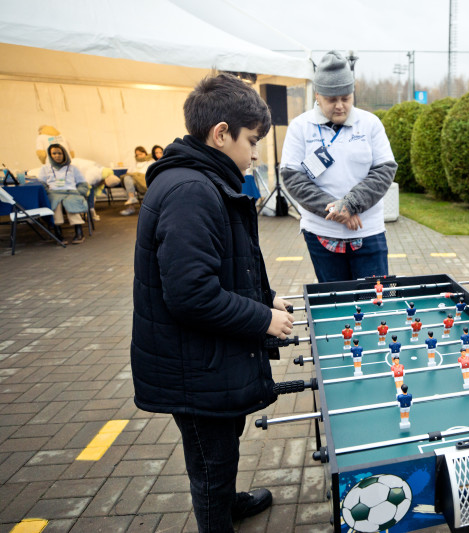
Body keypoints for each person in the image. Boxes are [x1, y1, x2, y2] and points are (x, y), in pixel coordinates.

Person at [130, 73, 295, 533]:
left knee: (222, 448)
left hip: (207, 361)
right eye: (252, 141)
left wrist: (266, 297)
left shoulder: (204, 180)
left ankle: (229, 501)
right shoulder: (191, 191)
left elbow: (223, 266)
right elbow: (191, 294)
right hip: (194, 368)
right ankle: (217, 518)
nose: (256, 153)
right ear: (221, 134)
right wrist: (262, 318)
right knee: (210, 464)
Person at [281, 50, 397, 282]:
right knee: (334, 298)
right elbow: (292, 177)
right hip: (321, 233)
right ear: (317, 95)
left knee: (374, 297)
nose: (340, 106)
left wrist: (351, 204)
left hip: (368, 232)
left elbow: (384, 171)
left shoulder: (370, 124)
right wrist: (337, 210)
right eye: (332, 100)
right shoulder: (300, 127)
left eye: (346, 98)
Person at [39, 143, 88, 244]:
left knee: (71, 202)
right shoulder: (45, 168)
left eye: (59, 153)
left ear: (64, 154)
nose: (57, 156)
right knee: (55, 203)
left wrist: (79, 192)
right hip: (54, 193)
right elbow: (41, 184)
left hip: (71, 192)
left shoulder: (73, 168)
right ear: (50, 155)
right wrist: (48, 192)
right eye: (54, 153)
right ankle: (58, 234)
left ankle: (79, 232)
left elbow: (82, 183)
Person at [120, 146, 154, 216]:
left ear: (145, 153)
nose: (139, 156)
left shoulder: (151, 161)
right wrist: (135, 175)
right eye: (137, 155)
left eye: (141, 154)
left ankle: (131, 202)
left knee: (128, 182)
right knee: (127, 179)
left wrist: (137, 175)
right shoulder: (134, 163)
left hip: (145, 181)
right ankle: (131, 199)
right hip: (134, 182)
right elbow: (128, 173)